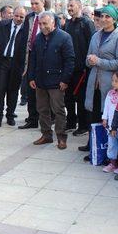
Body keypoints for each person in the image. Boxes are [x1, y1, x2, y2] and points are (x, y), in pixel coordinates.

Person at [82, 5, 118, 153]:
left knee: (107, 116)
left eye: (107, 16)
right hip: (94, 82)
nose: (103, 19)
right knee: (93, 114)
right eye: (102, 16)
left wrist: (99, 61)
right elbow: (88, 58)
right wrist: (90, 60)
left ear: (114, 19)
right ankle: (93, 145)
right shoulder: (96, 35)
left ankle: (108, 151)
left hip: (110, 83)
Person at [28, 11, 75, 150]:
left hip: (57, 81)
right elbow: (33, 59)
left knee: (58, 110)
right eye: (41, 24)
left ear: (53, 23)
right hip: (40, 80)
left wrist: (65, 80)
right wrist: (31, 77)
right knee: (42, 109)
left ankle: (61, 137)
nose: (42, 27)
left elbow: (70, 60)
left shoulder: (64, 37)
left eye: (45, 24)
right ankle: (46, 135)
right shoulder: (38, 38)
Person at [0, 6, 28, 127]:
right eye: (16, 15)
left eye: (21, 17)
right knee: (0, 89)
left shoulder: (26, 29)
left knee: (13, 91)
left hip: (17, 64)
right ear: (13, 15)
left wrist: (25, 67)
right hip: (2, 61)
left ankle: (10, 116)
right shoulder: (3, 24)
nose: (18, 18)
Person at [64, 0, 96, 136]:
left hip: (82, 69)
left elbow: (92, 44)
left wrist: (86, 65)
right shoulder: (68, 24)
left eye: (72, 5)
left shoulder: (87, 23)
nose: (69, 8)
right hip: (68, 66)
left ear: (79, 6)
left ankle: (83, 126)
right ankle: (71, 121)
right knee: (68, 97)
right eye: (68, 6)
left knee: (81, 98)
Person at [19, 0, 45, 130]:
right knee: (30, 88)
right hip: (30, 57)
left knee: (43, 91)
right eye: (32, 3)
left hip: (44, 58)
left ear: (43, 3)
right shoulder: (29, 17)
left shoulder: (50, 17)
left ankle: (46, 119)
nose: (34, 6)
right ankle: (32, 119)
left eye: (36, 3)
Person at [101, 70, 118, 174]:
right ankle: (112, 163)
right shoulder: (110, 93)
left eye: (116, 81)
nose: (113, 83)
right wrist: (105, 118)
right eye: (112, 80)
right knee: (112, 144)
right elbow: (106, 107)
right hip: (111, 125)